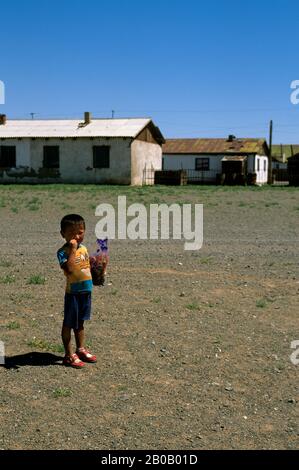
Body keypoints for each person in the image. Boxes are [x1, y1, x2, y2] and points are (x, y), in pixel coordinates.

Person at [57, 214, 97, 368]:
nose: (76, 237)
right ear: (63, 234)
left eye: (80, 232)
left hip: (86, 292)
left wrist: (97, 266)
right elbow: (70, 269)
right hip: (73, 294)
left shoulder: (84, 248)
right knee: (68, 323)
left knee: (80, 322)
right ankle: (68, 355)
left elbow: (85, 267)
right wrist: (73, 249)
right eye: (72, 234)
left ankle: (80, 349)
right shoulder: (63, 252)